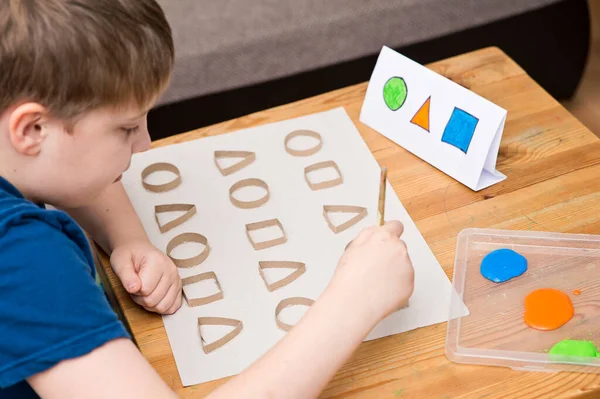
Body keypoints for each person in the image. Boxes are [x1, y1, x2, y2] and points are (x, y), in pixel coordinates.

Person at [0, 1, 415, 398]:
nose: (145, 145)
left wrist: (128, 236)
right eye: (126, 129)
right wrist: (353, 302)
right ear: (32, 129)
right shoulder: (26, 260)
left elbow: (62, 168)